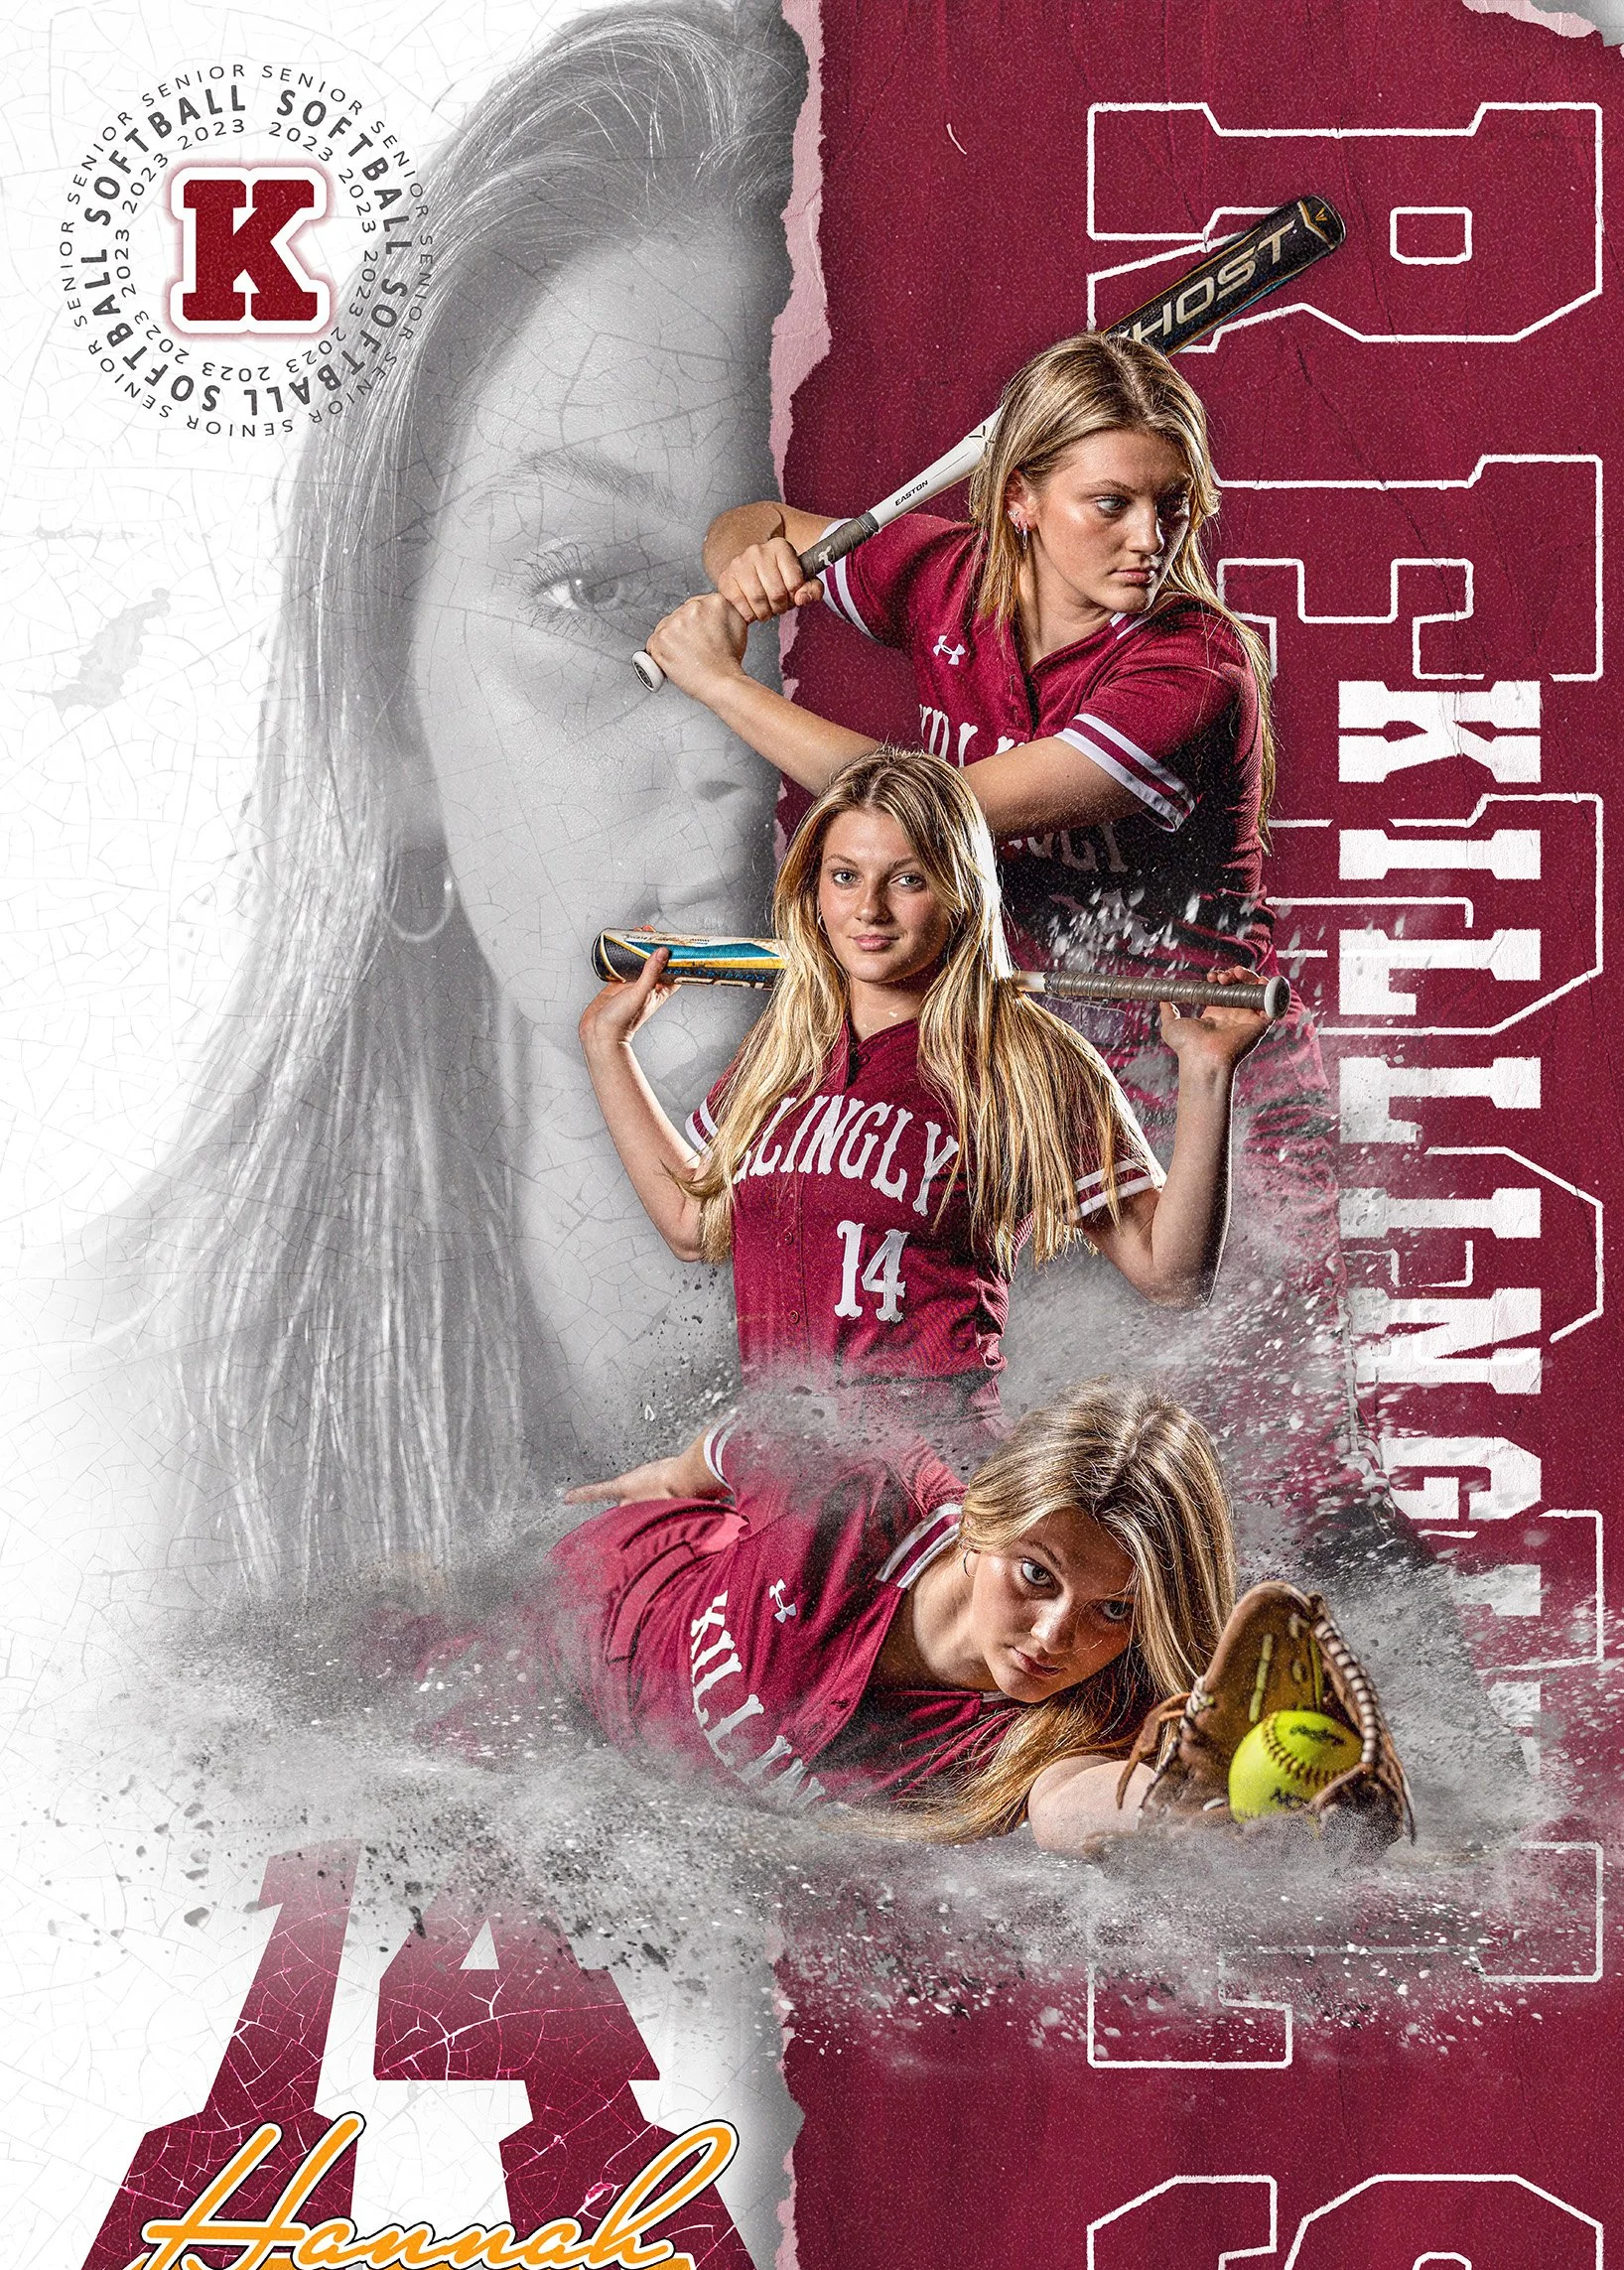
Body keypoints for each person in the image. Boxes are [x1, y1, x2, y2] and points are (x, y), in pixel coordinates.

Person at [122, 2, 808, 1599]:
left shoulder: (1266, 1417)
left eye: (890, 599)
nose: (768, 742)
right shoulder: (89, 1492)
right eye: (595, 589)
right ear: (384, 724)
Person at [640, 333, 1379, 1555]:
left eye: (1169, 504)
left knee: (1271, 1453)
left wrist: (722, 685)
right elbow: (750, 520)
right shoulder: (946, 578)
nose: (1149, 536)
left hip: (1191, 1059)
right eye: (1111, 502)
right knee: (985, 1432)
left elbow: (929, 813)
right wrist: (757, 561)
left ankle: (1381, 1714)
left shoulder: (1190, 667)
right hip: (1012, 1057)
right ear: (1019, 501)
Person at [579, 747, 1271, 1452]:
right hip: (788, 1466)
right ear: (812, 891)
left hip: (932, 1469)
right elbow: (694, 1225)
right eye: (844, 877)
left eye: (906, 880)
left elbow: (1170, 1275)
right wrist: (609, 1049)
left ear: (959, 890)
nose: (868, 911)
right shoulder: (782, 1049)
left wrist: (1205, 1074)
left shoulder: (1025, 1060)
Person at [409, 1378, 1239, 1846]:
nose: (1057, 1635)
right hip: (577, 1604)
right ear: (984, 1520)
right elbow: (745, 1438)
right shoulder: (862, 1480)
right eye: (1035, 1574)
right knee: (380, 1677)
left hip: (606, 1752)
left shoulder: (1087, 1716)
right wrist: (666, 1475)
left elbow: (1068, 1805)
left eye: (1115, 1610)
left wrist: (1201, 1798)